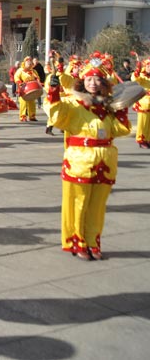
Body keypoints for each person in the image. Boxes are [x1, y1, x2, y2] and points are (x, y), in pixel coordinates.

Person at [44, 55, 131, 260]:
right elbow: (57, 115)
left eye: (98, 79)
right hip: (80, 161)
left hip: (105, 162)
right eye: (89, 79)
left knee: (98, 206)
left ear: (104, 83)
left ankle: (93, 242)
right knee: (78, 204)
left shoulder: (107, 106)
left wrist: (121, 110)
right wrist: (54, 93)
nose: (93, 83)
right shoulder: (73, 103)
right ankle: (77, 242)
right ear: (82, 81)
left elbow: (120, 130)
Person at [131, 57, 150, 148]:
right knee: (143, 123)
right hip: (144, 102)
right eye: (148, 66)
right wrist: (137, 70)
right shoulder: (141, 75)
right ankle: (141, 140)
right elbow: (134, 79)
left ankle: (148, 139)